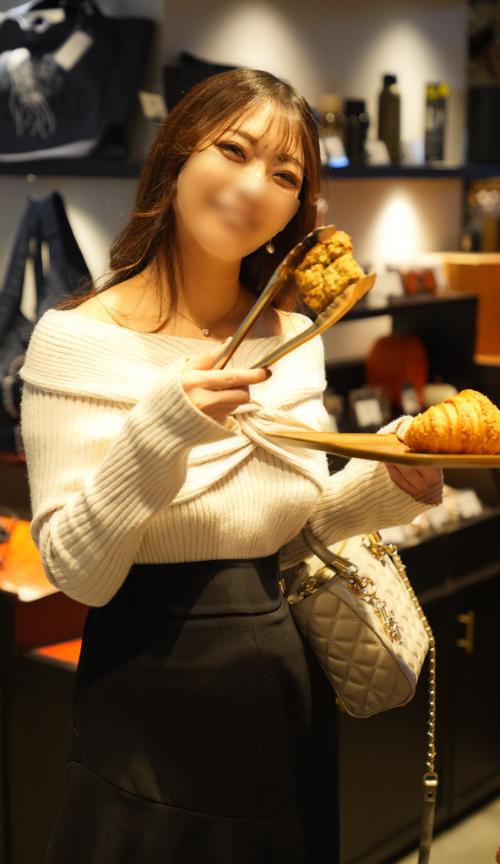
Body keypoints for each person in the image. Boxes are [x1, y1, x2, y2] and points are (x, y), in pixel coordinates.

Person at [19, 69, 443, 864]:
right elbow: (80, 573)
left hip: (283, 684)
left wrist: (389, 482)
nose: (254, 187)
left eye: (284, 175)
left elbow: (287, 526)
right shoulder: (77, 341)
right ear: (178, 154)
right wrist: (161, 430)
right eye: (234, 151)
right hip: (148, 692)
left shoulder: (294, 338)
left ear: (298, 207)